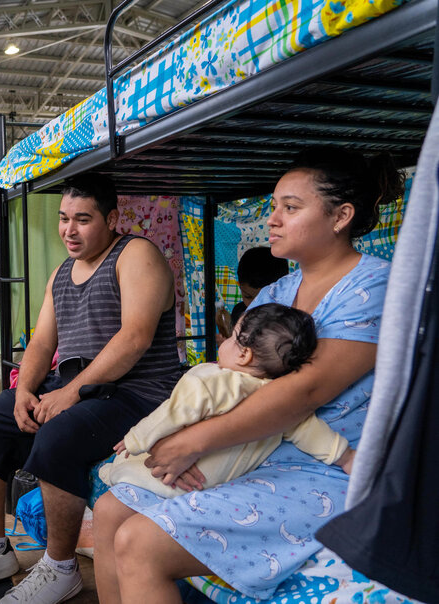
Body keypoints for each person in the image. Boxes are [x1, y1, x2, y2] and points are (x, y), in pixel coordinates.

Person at [92, 147, 405, 604]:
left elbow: (304, 393)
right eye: (274, 205)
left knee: (140, 543)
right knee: (107, 510)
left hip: (327, 465)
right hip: (254, 448)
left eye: (290, 207)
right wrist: (185, 436)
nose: (272, 218)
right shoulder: (278, 291)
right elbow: (232, 373)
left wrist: (190, 443)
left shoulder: (375, 286)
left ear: (341, 216)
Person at [0, 173, 181, 604]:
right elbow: (42, 341)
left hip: (138, 390)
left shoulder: (136, 254)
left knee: (58, 436)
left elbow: (135, 337)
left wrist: (69, 394)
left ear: (113, 218)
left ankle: (60, 568)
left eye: (82, 219)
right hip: (75, 383)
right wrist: (26, 389)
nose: (69, 230)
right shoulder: (62, 272)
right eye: (64, 219)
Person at [100, 303, 354, 498]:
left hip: (171, 477)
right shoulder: (281, 402)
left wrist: (135, 438)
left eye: (232, 337)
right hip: (214, 483)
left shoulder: (211, 382)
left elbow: (172, 414)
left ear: (244, 354)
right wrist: (346, 457)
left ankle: (112, 473)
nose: (225, 341)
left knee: (125, 464)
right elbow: (311, 431)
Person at [230, 246, 290, 327]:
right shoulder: (239, 313)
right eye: (248, 296)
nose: (255, 305)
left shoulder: (291, 319)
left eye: (265, 298)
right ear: (240, 286)